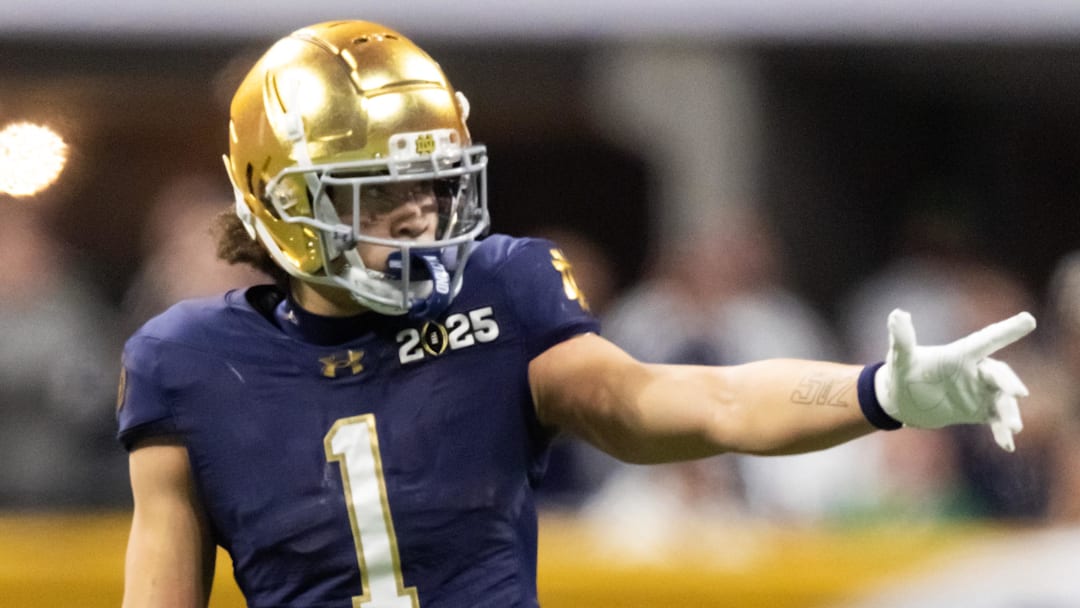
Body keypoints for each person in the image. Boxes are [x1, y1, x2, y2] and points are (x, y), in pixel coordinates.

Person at [116, 20, 1037, 608]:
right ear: (276, 200)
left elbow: (674, 403)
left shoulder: (502, 288)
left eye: (429, 181)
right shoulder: (185, 361)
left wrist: (876, 391)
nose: (419, 212)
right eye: (375, 189)